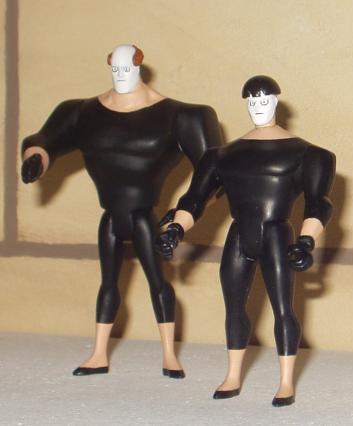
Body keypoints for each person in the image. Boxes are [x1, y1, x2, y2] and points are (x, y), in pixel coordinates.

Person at [21, 44, 222, 378]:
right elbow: (45, 140)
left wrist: (183, 216)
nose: (120, 75)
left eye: (126, 69)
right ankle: (99, 353)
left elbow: (213, 174)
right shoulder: (80, 112)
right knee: (108, 285)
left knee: (157, 282)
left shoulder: (182, 116)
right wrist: (36, 158)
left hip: (145, 217)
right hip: (111, 216)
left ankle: (169, 355)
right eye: (115, 69)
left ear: (139, 68)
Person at [156, 75, 336, 406]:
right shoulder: (221, 155)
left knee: (283, 308)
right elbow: (195, 199)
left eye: (264, 100)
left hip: (277, 234)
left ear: (276, 102)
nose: (257, 107)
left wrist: (306, 241)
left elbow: (318, 203)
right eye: (252, 101)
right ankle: (233, 374)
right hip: (239, 235)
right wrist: (177, 228)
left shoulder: (308, 154)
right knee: (234, 307)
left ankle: (285, 381)